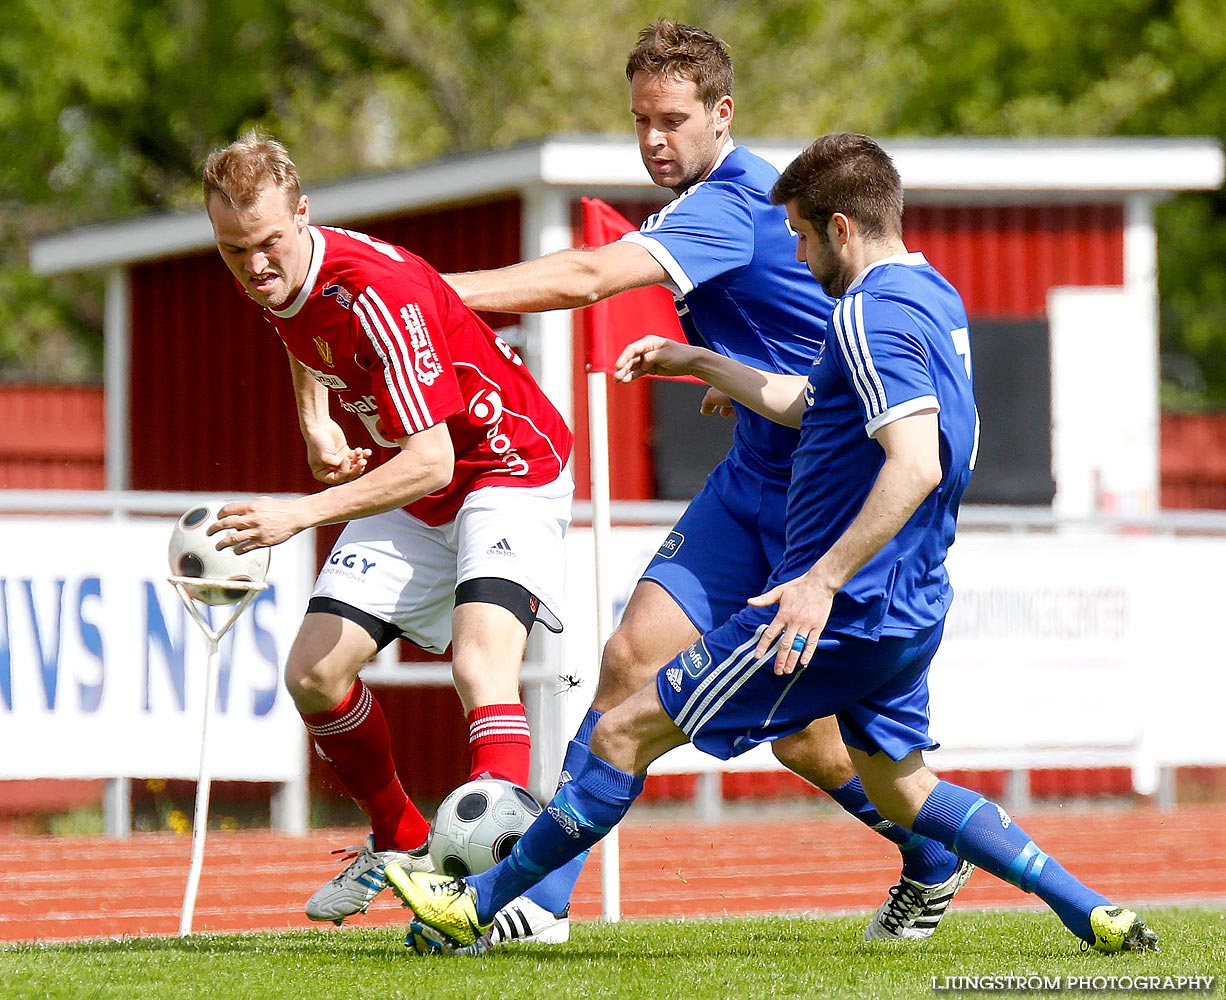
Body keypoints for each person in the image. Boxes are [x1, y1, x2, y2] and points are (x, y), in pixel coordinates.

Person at [386, 132, 1160, 956]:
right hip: (912, 604)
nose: (791, 251)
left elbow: (917, 461)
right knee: (900, 786)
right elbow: (810, 402)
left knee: (621, 733)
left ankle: (486, 904)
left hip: (839, 609)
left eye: (797, 234)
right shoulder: (931, 293)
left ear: (841, 228)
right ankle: (1091, 909)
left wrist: (821, 581)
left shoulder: (867, 314)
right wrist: (701, 362)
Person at [436, 19, 967, 948]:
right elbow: (790, 324)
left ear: (721, 115)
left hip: (827, 498)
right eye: (640, 119)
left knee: (812, 737)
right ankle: (541, 904)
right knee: (627, 661)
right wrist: (723, 367)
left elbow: (589, 276)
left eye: (672, 119)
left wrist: (424, 292)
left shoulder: (732, 201)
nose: (652, 138)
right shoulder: (708, 202)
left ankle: (932, 854)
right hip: (750, 477)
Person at [200, 132, 575, 926]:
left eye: (269, 243)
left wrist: (297, 515)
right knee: (313, 673)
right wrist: (316, 422)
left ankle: (506, 897)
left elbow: (434, 462)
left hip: (506, 467)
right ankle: (401, 841)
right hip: (419, 475)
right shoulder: (280, 278)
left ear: (303, 215)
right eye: (234, 251)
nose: (256, 266)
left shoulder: (374, 291)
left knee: (481, 665)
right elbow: (301, 329)